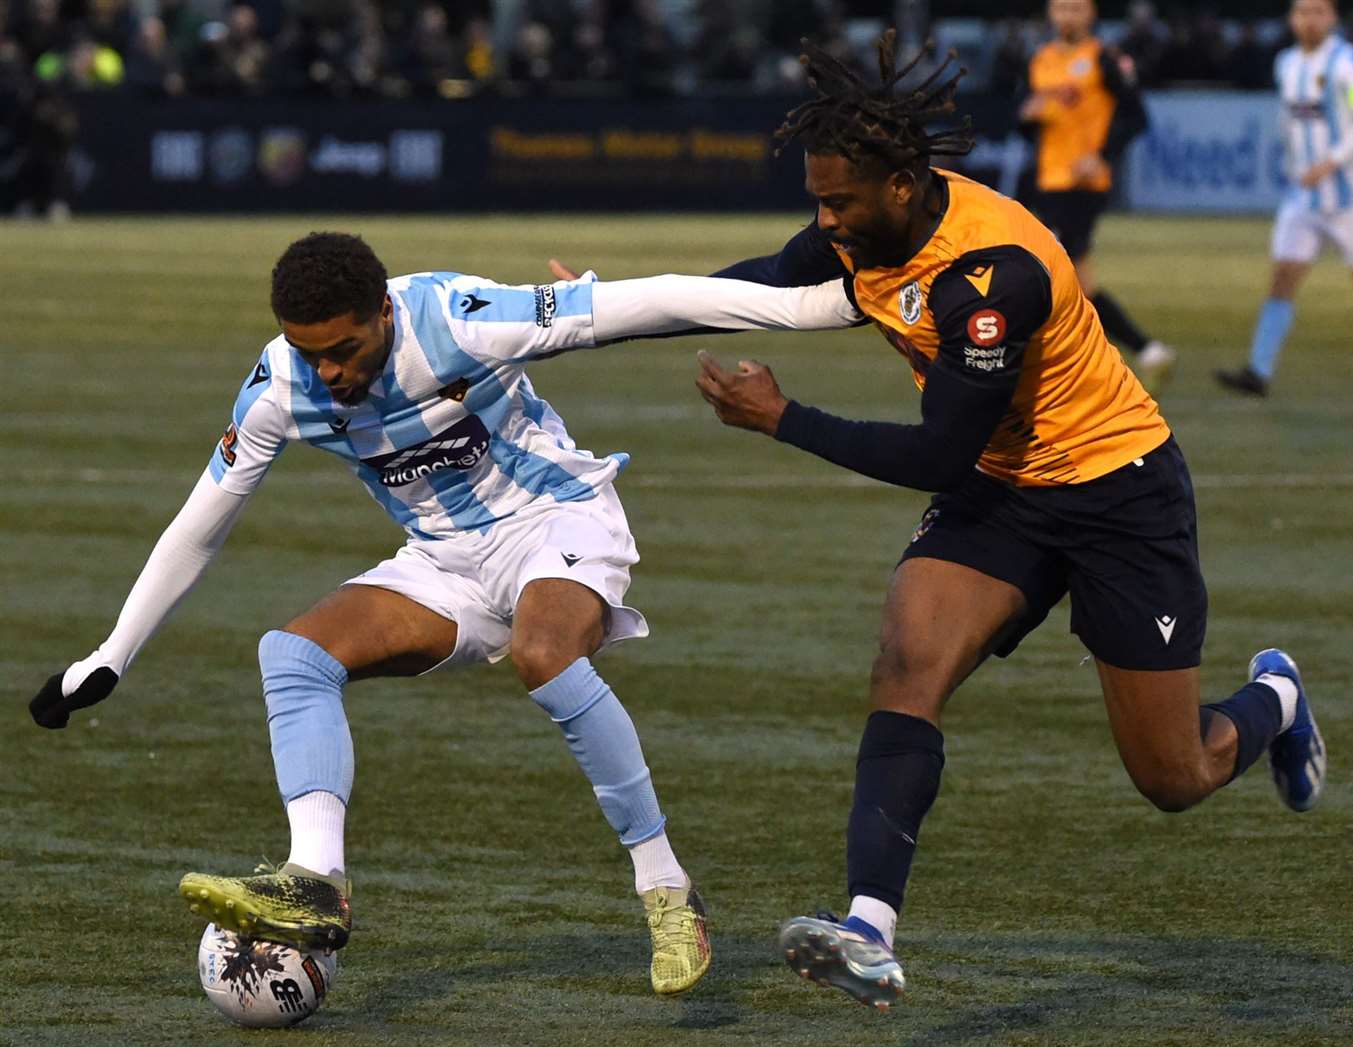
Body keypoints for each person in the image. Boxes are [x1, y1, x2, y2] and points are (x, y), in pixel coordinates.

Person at [27, 231, 862, 995]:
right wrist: (112, 653)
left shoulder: (459, 320)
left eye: (345, 350)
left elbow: (657, 298)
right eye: (310, 354)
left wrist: (825, 306)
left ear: (383, 310)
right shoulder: (280, 387)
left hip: (555, 520)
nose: (330, 375)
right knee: (291, 654)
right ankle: (317, 882)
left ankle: (666, 888)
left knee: (544, 654)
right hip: (444, 561)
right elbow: (199, 525)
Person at [690, 32, 1326, 1011]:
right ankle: (869, 929)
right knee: (907, 659)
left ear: (901, 184)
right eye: (815, 201)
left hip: (1119, 494)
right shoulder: (864, 229)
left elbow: (933, 457)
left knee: (1172, 775)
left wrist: (782, 418)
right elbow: (767, 280)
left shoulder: (993, 275)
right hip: (1002, 494)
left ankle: (1274, 700)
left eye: (837, 203)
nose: (823, 222)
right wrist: (587, 306)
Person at [1216, 0, 1353, 397]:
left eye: (1319, 12)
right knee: (1283, 277)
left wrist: (1331, 162)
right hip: (1303, 196)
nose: (1311, 20)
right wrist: (1295, 163)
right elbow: (1289, 120)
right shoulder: (1286, 63)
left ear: (1333, 17)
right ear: (1291, 19)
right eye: (1304, 12)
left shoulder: (1348, 64)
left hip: (1351, 196)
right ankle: (1258, 372)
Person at [1020, 0, 1176, 394]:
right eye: (1061, 9)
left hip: (1083, 184)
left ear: (1091, 14)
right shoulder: (1041, 60)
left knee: (1047, 271)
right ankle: (1146, 350)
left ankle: (1061, 362)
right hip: (1049, 180)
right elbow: (1029, 125)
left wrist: (1100, 156)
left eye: (1076, 9)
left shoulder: (1105, 59)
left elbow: (1137, 116)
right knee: (1078, 281)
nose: (1067, 16)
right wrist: (1027, 116)